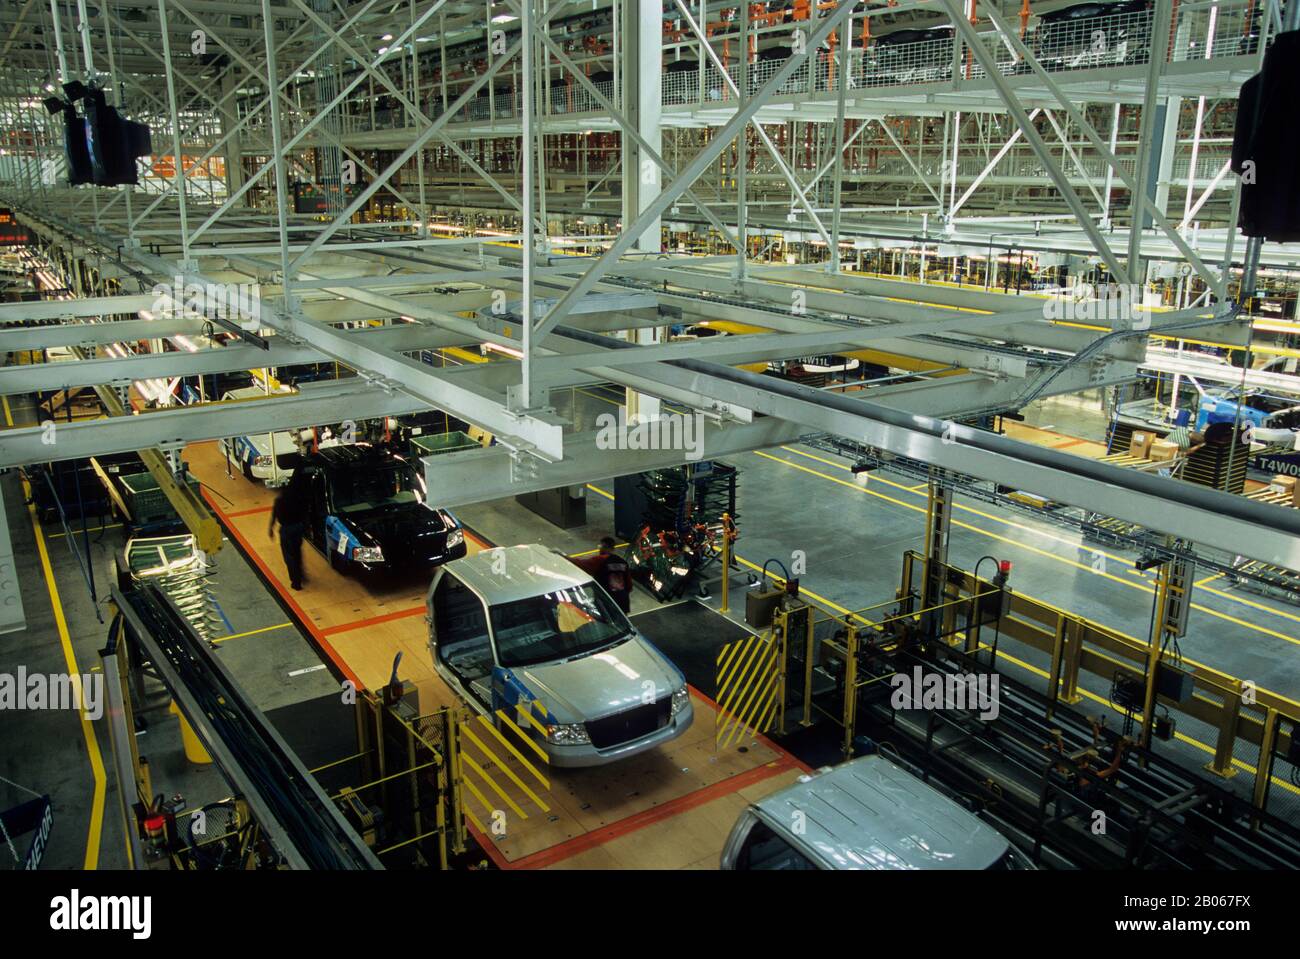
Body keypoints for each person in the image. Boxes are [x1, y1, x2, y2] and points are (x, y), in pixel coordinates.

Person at [576, 536, 632, 614]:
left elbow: (581, 564)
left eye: (601, 546)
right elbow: (629, 585)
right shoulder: (622, 561)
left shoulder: (600, 560)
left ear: (604, 547)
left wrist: (564, 557)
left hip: (605, 601)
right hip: (622, 600)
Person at [268, 484, 307, 590]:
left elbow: (274, 516)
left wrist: (271, 529)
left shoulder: (279, 501)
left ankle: (295, 581)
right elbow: (303, 511)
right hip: (297, 527)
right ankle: (300, 574)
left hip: (286, 529)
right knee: (297, 552)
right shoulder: (296, 499)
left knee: (289, 556)